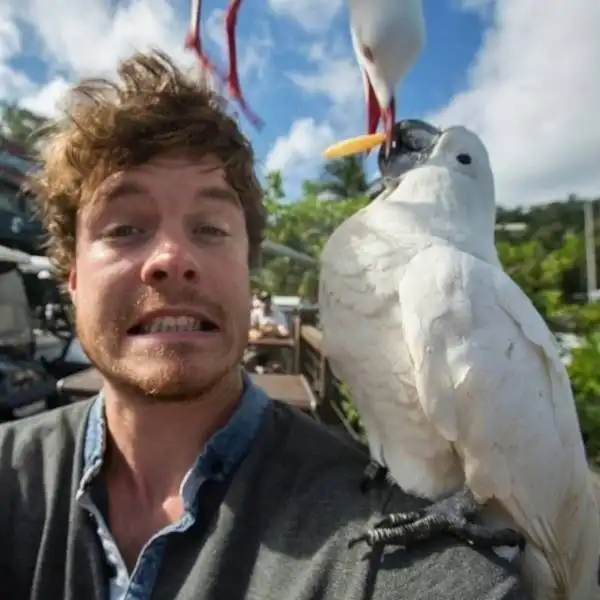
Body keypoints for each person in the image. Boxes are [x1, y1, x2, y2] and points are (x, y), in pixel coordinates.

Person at [0, 49, 531, 599]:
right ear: (72, 278)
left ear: (248, 270)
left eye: (210, 228)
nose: (173, 258)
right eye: (124, 229)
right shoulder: (11, 476)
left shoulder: (383, 556)